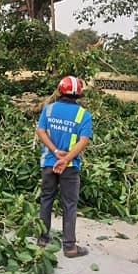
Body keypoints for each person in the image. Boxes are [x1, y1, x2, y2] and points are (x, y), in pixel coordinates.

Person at [36, 76, 93, 259]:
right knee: (69, 204)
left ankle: (42, 240)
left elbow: (40, 131)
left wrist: (55, 152)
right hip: (70, 167)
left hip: (49, 163)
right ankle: (69, 247)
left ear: (60, 91)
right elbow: (84, 141)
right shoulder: (84, 115)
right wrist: (67, 159)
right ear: (79, 94)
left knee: (46, 200)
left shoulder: (49, 109)